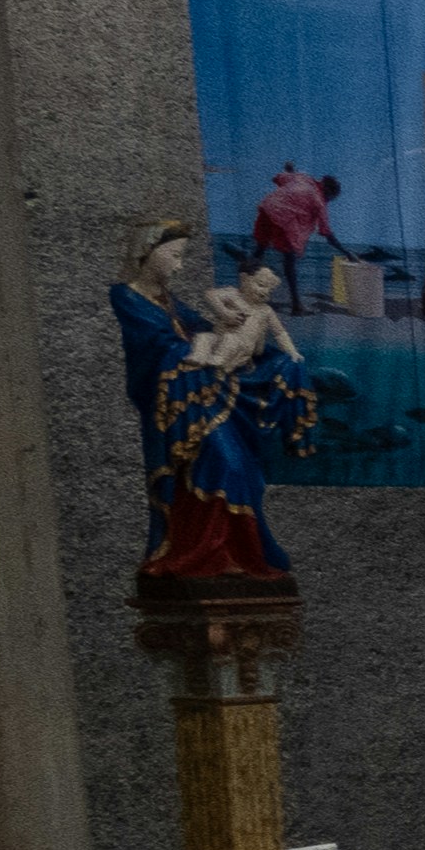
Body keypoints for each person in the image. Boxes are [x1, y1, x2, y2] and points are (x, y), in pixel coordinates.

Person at [107, 220, 301, 585]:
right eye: (175, 255)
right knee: (222, 464)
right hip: (173, 405)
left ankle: (236, 553)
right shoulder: (127, 297)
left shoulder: (168, 300)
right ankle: (199, 552)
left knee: (241, 469)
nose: (180, 266)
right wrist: (212, 345)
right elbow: (158, 349)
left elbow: (200, 325)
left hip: (203, 392)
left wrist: (246, 338)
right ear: (148, 251)